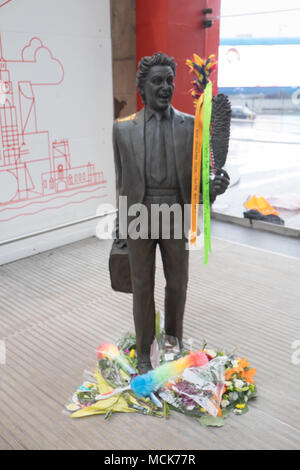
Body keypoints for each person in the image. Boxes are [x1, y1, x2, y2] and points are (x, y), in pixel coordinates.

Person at [113, 52, 229, 373]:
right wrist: (119, 226)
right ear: (143, 88)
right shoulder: (122, 130)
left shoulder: (190, 126)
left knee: (177, 283)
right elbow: (121, 181)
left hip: (176, 215)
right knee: (142, 286)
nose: (165, 87)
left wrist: (211, 191)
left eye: (169, 81)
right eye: (157, 81)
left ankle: (173, 342)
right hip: (139, 215)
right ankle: (143, 350)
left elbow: (198, 182)